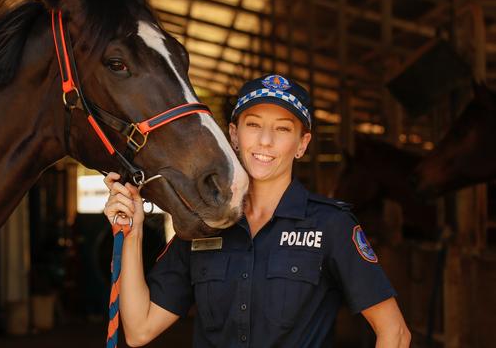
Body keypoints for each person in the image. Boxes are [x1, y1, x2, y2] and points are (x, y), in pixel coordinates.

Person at [103, 74, 411, 347]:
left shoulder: (330, 226)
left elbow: (395, 333)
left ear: (302, 144)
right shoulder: (205, 223)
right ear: (234, 135)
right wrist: (133, 232)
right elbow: (139, 329)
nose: (265, 140)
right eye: (254, 125)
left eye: (282, 129)